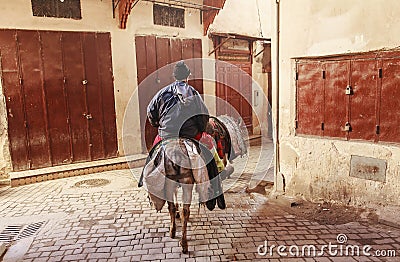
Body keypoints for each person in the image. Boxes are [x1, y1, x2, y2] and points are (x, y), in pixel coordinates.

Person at [147, 61, 209, 144]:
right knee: (208, 144)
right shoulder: (193, 92)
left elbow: (150, 111)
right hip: (189, 134)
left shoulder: (162, 93)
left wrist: (158, 124)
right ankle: (215, 157)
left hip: (166, 134)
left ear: (175, 76)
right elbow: (203, 115)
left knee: (153, 152)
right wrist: (202, 129)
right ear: (187, 77)